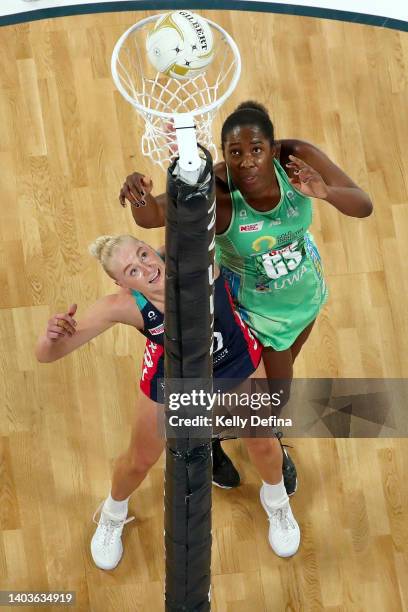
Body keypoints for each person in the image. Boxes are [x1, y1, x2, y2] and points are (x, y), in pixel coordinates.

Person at [118, 100, 373, 553]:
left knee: (272, 393)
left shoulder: (298, 158)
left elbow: (364, 205)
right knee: (271, 399)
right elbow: (153, 215)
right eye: (235, 154)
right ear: (223, 157)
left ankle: (242, 441)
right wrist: (138, 195)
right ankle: (232, 446)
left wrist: (326, 192)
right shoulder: (217, 192)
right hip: (255, 316)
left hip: (305, 300)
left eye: (256, 149)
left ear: (273, 147)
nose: (247, 161)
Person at [35, 234, 301, 570]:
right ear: (121, 283)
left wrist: (146, 199)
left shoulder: (199, 259)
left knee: (262, 443)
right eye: (132, 271)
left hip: (232, 358)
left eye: (143, 255)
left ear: (153, 248)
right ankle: (113, 513)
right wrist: (50, 337)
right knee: (140, 459)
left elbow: (191, 203)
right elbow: (47, 355)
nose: (145, 268)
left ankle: (276, 503)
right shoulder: (124, 307)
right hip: (173, 374)